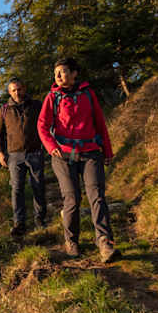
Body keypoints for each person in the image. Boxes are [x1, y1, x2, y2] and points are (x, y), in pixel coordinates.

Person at [37, 58, 120, 262]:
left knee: (97, 195)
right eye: (56, 72)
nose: (58, 76)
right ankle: (72, 240)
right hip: (63, 156)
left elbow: (100, 123)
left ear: (74, 74)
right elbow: (42, 125)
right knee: (72, 199)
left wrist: (107, 151)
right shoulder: (52, 97)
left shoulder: (88, 94)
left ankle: (104, 242)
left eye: (63, 71)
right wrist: (51, 146)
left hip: (91, 152)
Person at [0, 77, 47, 237]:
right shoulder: (4, 110)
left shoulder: (36, 105)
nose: (17, 92)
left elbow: (46, 123)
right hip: (14, 155)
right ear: (9, 92)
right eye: (13, 90)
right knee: (17, 189)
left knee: (38, 186)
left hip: (35, 152)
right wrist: (1, 153)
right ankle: (19, 223)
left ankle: (40, 220)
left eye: (19, 89)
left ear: (24, 88)